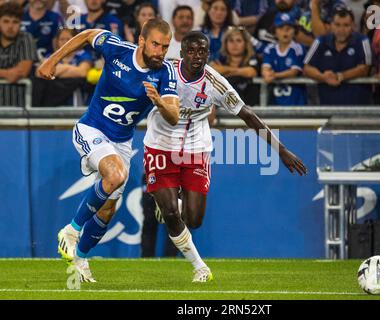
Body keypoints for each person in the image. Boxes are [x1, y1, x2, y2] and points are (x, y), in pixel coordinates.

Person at [143, 31, 307, 282]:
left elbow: (248, 116)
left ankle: (170, 204)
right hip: (160, 144)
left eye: (202, 52)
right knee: (171, 215)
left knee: (194, 220)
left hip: (197, 148)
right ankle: (199, 267)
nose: (197, 56)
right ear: (182, 52)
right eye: (191, 51)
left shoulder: (215, 83)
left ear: (208, 54)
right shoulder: (165, 71)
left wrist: (281, 149)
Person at [37, 18, 180, 282]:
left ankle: (79, 258)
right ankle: (71, 229)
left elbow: (173, 115)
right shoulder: (117, 49)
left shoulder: (166, 72)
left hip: (122, 142)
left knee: (106, 210)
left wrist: (158, 101)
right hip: (92, 129)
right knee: (115, 175)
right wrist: (52, 60)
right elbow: (87, 35)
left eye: (165, 46)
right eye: (156, 45)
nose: (160, 51)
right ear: (141, 41)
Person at [303, 7, 372, 105]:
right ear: (331, 25)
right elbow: (307, 68)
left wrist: (340, 76)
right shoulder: (320, 41)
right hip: (327, 107)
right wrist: (323, 77)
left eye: (346, 25)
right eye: (337, 25)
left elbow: (365, 69)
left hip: (357, 108)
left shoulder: (362, 41)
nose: (341, 30)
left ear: (353, 26)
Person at [33, 27, 93, 106]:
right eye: (62, 39)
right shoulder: (52, 56)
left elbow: (82, 72)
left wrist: (56, 70)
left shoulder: (83, 55)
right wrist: (70, 68)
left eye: (68, 39)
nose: (65, 42)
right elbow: (40, 72)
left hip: (75, 100)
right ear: (57, 41)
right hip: (53, 98)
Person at [262, 12, 307, 106]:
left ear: (295, 31)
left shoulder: (298, 48)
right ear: (274, 31)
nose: (285, 31)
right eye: (281, 28)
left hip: (296, 101)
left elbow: (294, 71)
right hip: (275, 101)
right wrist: (266, 74)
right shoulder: (269, 49)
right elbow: (265, 68)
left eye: (289, 28)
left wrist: (274, 75)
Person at [210, 25, 260, 106]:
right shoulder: (221, 58)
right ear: (226, 44)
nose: (234, 44)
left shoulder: (253, 58)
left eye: (239, 41)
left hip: (249, 106)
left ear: (245, 43)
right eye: (231, 41)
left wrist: (226, 72)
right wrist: (239, 71)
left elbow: (251, 72)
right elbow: (212, 70)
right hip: (223, 107)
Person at [0, 2, 37, 107]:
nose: (10, 26)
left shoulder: (26, 38)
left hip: (19, 106)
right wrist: (7, 73)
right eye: (6, 21)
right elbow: (12, 74)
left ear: (20, 23)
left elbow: (22, 72)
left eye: (15, 22)